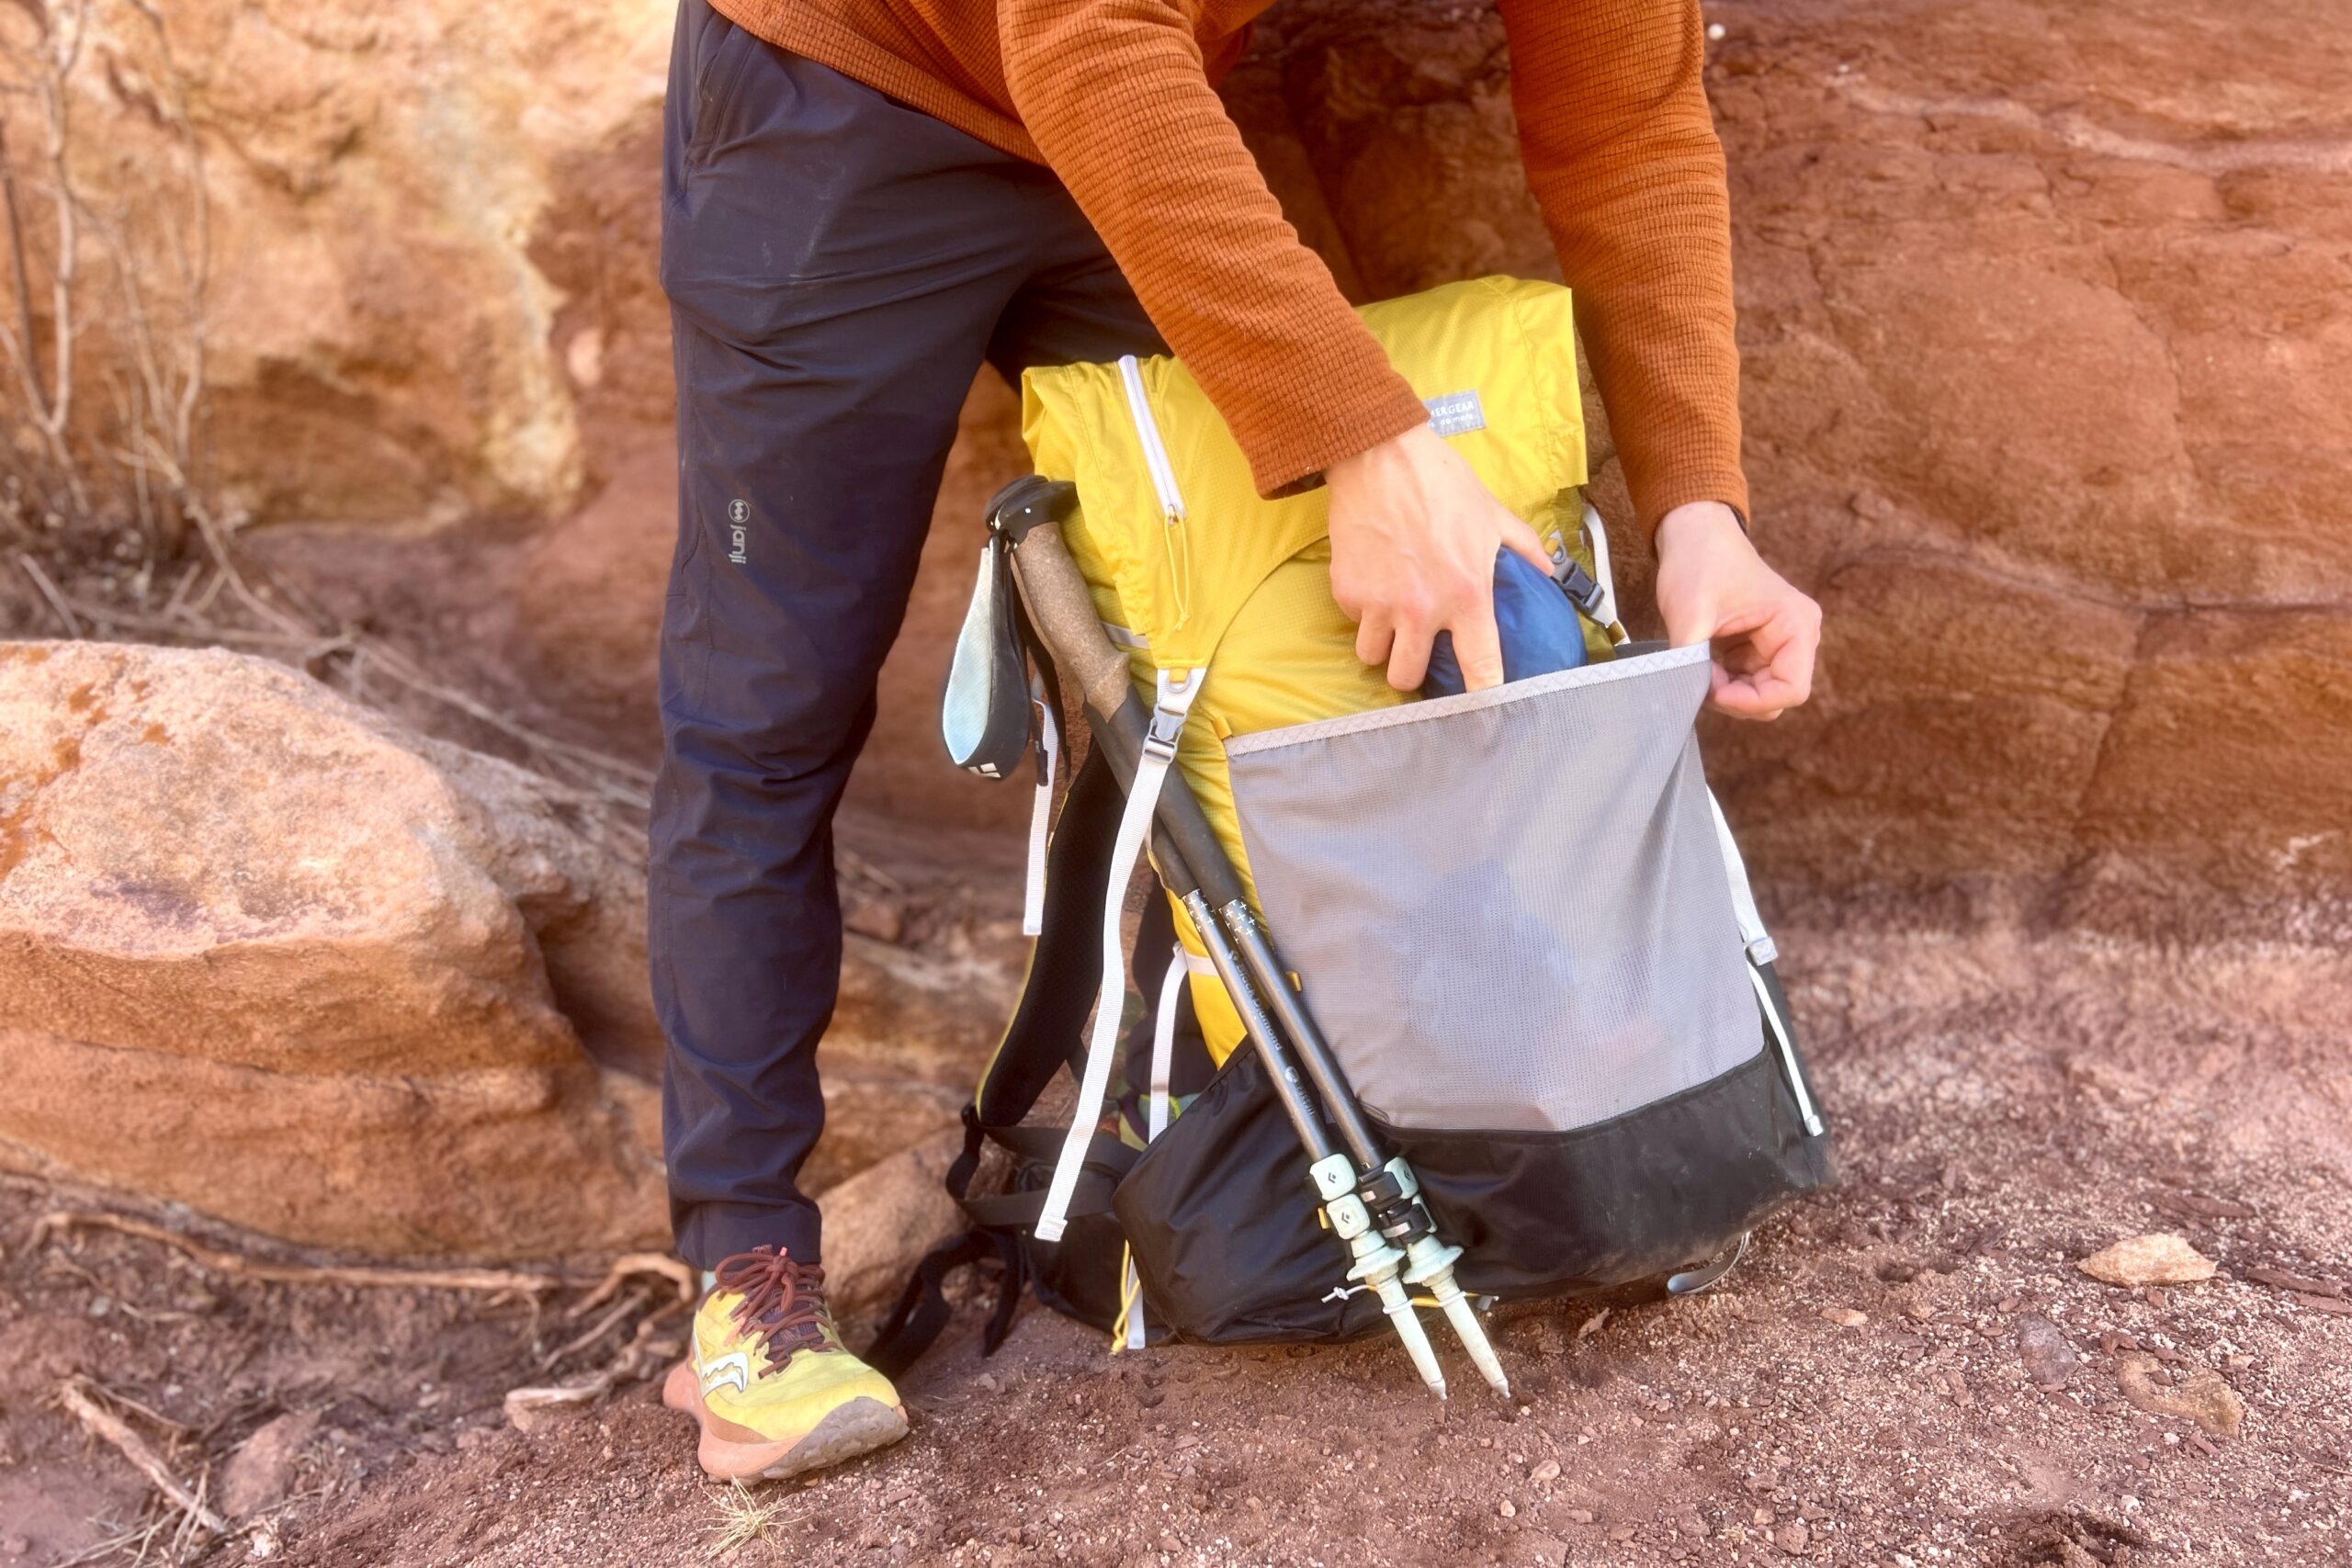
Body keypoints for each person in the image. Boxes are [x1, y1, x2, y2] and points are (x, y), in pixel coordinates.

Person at [651, 0, 1823, 1481]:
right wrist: (1364, 437)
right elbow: (1080, 33)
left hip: (1128, 120)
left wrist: (1698, 507)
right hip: (842, 97)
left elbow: (1626, 122)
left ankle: (1415, 1143)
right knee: (770, 710)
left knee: (1313, 619)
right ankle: (747, 1283)